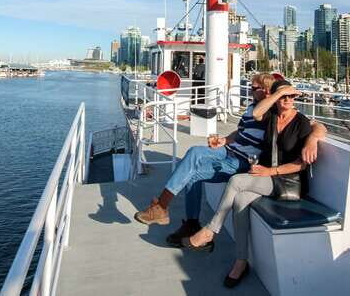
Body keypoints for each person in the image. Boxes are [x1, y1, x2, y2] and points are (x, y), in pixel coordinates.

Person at [182, 79, 327, 288]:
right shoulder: (270, 117)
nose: (287, 100)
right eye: (283, 96)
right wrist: (277, 94)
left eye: (291, 96)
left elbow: (301, 164)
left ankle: (210, 230)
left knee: (236, 180)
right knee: (240, 201)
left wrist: (311, 140)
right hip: (266, 176)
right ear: (275, 98)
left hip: (285, 181)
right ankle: (241, 262)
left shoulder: (301, 122)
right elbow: (257, 112)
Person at [133, 73, 275, 247]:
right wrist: (225, 140)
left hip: (242, 162)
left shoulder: (270, 110)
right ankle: (166, 210)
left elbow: (262, 113)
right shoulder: (251, 107)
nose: (250, 91)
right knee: (194, 151)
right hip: (230, 150)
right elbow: (240, 132)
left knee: (193, 175)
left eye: (254, 89)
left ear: (267, 91)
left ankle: (170, 212)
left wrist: (275, 95)